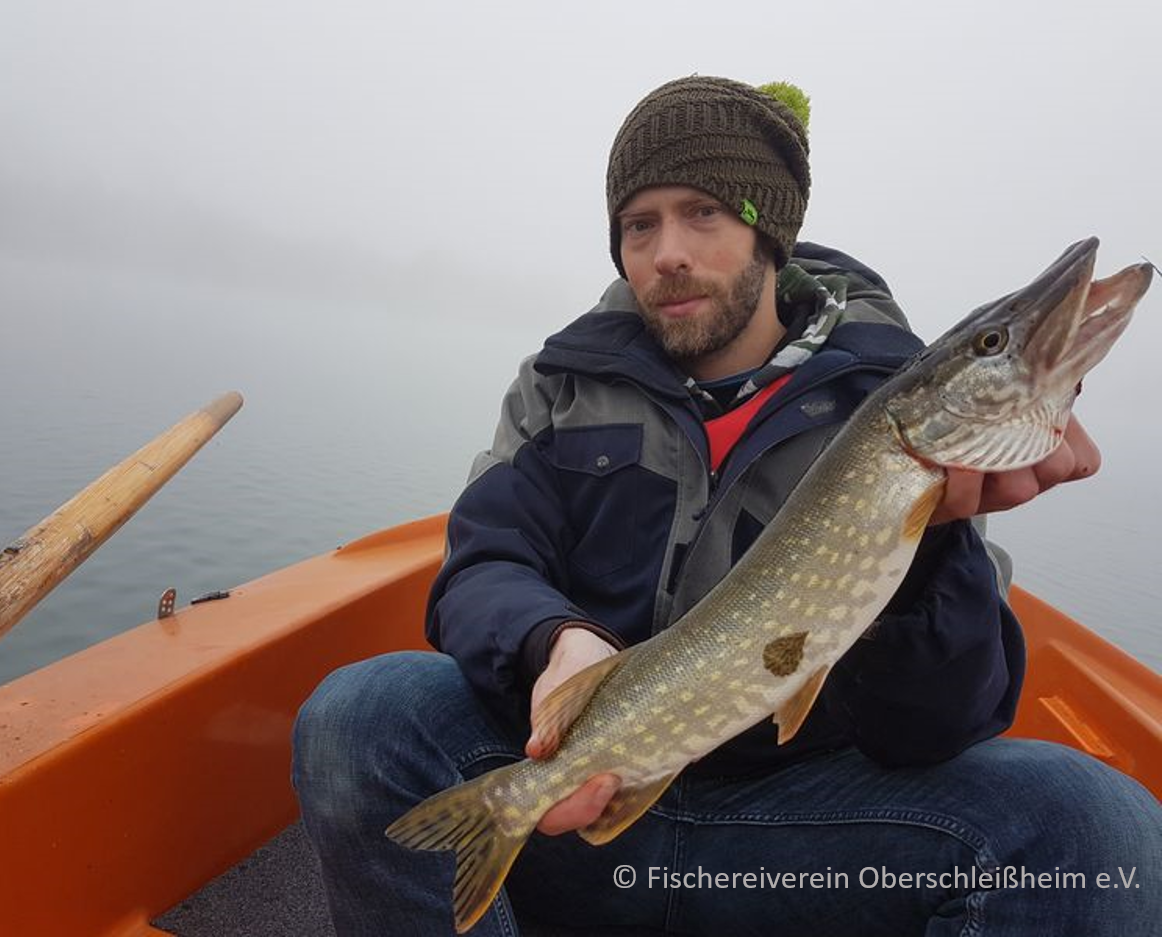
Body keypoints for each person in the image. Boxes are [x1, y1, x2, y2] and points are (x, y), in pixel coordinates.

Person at [292, 76, 1161, 935]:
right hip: (585, 794)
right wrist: (556, 645)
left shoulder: (884, 416)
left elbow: (941, 724)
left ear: (767, 230)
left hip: (796, 837)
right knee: (361, 715)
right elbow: (485, 561)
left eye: (704, 211)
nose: (667, 251)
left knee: (1094, 824)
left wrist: (936, 552)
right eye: (640, 224)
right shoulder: (562, 385)